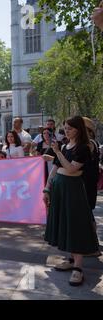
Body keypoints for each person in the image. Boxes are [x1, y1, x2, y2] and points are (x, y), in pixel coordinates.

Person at [43, 116, 100, 286]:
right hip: (60, 188)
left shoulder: (84, 147)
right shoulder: (66, 145)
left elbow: (71, 168)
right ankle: (71, 259)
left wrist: (58, 151)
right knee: (66, 223)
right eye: (65, 127)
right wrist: (47, 188)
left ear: (78, 129)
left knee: (75, 225)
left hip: (73, 190)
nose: (66, 131)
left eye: (70, 128)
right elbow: (55, 168)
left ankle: (78, 268)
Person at [82, 117, 101, 238]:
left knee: (87, 211)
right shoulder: (90, 143)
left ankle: (92, 239)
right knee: (87, 211)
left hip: (88, 181)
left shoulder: (90, 143)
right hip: (87, 180)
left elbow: (78, 161)